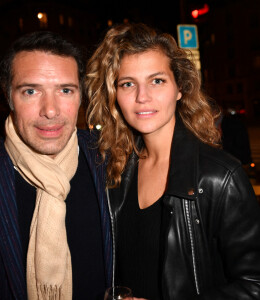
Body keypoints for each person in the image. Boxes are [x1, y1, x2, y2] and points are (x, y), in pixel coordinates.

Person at [85, 23, 260, 300]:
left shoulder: (220, 177)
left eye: (157, 81)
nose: (143, 97)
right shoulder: (115, 169)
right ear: (114, 96)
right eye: (128, 84)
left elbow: (254, 284)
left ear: (180, 88)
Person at [0, 31, 112, 299]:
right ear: (9, 98)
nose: (50, 110)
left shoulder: (111, 157)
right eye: (30, 91)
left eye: (65, 90)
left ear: (80, 97)